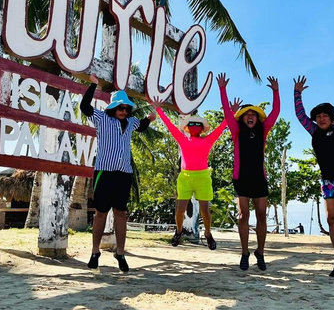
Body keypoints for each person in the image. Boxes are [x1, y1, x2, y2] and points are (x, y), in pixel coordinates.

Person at [80, 75, 155, 272]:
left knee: (121, 213)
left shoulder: (131, 122)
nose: (123, 111)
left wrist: (148, 118)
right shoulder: (102, 118)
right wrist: (93, 85)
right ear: (113, 107)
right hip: (104, 172)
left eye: (126, 108)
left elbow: (142, 126)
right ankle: (95, 251)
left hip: (124, 174)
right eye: (120, 108)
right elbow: (85, 107)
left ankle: (120, 253)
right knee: (100, 214)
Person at [294, 75, 334, 278]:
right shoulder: (314, 131)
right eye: (319, 116)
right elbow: (300, 116)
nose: (321, 118)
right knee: (331, 218)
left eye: (325, 115)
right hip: (328, 181)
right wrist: (297, 93)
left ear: (331, 117)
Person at [217, 73, 281, 271]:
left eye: (253, 114)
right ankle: (245, 252)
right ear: (242, 118)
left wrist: (276, 92)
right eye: (247, 114)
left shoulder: (263, 129)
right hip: (241, 178)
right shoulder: (236, 131)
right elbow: (228, 115)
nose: (250, 116)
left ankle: (260, 252)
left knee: (262, 216)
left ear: (257, 118)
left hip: (259, 179)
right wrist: (222, 89)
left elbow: (275, 113)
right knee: (243, 216)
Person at [151, 99, 228, 250]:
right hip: (185, 177)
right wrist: (159, 110)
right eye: (191, 124)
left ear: (201, 128)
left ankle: (207, 234)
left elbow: (221, 128)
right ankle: (178, 231)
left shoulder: (208, 140)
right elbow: (169, 126)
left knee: (205, 210)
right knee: (180, 210)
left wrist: (231, 113)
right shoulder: (182, 138)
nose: (194, 126)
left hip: (203, 177)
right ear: (187, 127)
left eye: (197, 124)